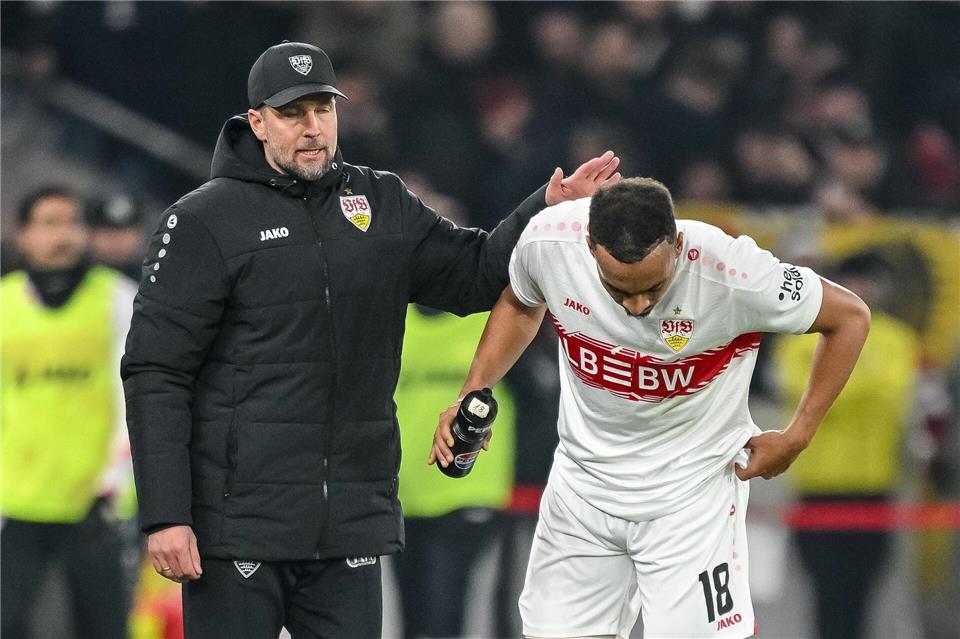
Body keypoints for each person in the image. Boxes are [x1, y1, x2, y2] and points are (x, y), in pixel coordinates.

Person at [120, 41, 620, 639]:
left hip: (351, 524)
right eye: (292, 113)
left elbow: (474, 274)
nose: (312, 128)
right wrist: (166, 516)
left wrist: (543, 210)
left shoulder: (379, 201)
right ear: (256, 122)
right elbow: (155, 372)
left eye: (323, 110)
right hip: (238, 527)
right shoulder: (203, 220)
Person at [430, 177, 871, 638]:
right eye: (618, 289)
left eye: (653, 287)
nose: (637, 305)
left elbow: (849, 317)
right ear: (589, 246)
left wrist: (797, 434)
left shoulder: (734, 271)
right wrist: (472, 390)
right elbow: (521, 302)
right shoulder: (549, 242)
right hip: (582, 493)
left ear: (677, 243)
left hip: (690, 499)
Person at [1, 186, 137, 639]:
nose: (62, 234)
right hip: (16, 501)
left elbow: (135, 398)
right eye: (48, 223)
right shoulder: (4, 303)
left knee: (103, 629)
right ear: (23, 235)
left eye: (71, 223)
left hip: (94, 504)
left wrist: (114, 485)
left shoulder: (118, 299)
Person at [775, 252, 919, 639]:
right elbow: (796, 387)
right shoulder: (802, 337)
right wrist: (855, 388)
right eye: (851, 279)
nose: (861, 288)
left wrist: (830, 390)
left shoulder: (898, 339)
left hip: (874, 489)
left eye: (867, 279)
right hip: (818, 490)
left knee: (863, 600)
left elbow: (893, 391)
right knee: (825, 598)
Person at [393, 303, 517, 638]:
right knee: (413, 620)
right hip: (405, 493)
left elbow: (535, 392)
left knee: (442, 616)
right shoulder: (395, 317)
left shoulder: (492, 320)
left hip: (469, 488)